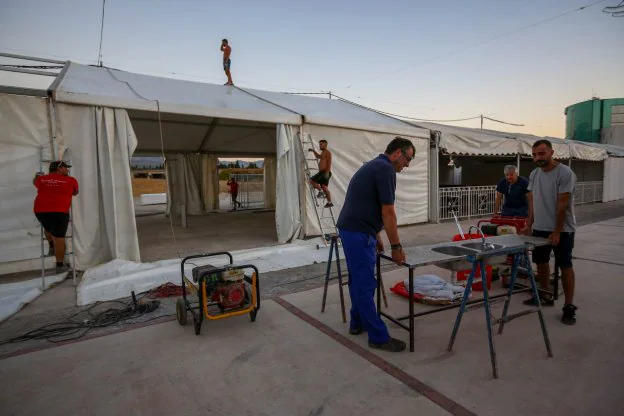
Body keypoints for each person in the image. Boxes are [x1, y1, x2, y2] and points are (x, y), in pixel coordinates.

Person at [336, 137, 415, 352]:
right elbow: (388, 211)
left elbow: (366, 203)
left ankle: (357, 322)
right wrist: (396, 247)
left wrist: (376, 234)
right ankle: (378, 337)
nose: (407, 165)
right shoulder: (385, 169)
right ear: (397, 153)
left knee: (357, 280)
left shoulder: (374, 165)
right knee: (365, 284)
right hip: (357, 232)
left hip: (354, 228)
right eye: (408, 159)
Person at [520, 139, 578, 325]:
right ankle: (544, 294)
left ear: (552, 152)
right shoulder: (535, 174)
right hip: (540, 228)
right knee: (541, 262)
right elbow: (533, 202)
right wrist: (529, 224)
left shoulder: (565, 173)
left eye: (542, 153)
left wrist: (557, 231)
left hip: (563, 230)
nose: (538, 157)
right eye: (535, 154)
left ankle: (569, 306)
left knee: (565, 265)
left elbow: (562, 205)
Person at [33, 161, 79, 274]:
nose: (67, 170)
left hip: (40, 211)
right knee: (59, 237)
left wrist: (37, 176)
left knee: (48, 227)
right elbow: (75, 192)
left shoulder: (42, 179)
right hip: (59, 211)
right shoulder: (71, 180)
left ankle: (51, 246)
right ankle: (60, 265)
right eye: (65, 168)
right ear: (59, 169)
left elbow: (35, 182)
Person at [308, 139, 333, 208]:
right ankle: (329, 202)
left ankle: (320, 191)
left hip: (325, 172)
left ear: (325, 145)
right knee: (324, 187)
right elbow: (318, 157)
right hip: (322, 172)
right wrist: (313, 151)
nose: (320, 146)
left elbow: (328, 162)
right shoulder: (323, 152)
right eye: (319, 144)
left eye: (321, 144)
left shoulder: (327, 152)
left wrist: (327, 172)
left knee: (312, 180)